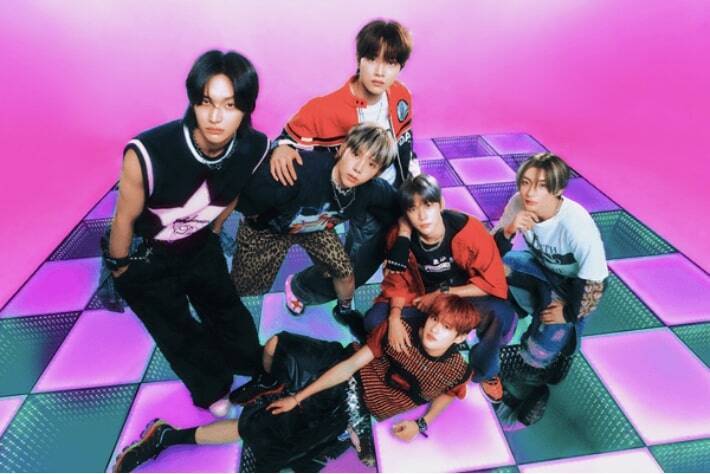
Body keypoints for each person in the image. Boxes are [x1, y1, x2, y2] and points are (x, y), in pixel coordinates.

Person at [112, 294, 478, 473]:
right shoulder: (402, 332)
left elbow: (450, 393)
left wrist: (422, 423)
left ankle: (165, 436)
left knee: (258, 428)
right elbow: (350, 366)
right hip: (342, 365)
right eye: (435, 320)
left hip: (354, 406)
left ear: (460, 338)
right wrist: (298, 396)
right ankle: (272, 383)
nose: (434, 329)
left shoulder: (456, 371)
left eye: (446, 328)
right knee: (277, 344)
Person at [103, 50, 269, 415]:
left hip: (198, 244)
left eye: (230, 105)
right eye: (206, 102)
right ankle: (211, 387)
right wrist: (120, 267)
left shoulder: (254, 146)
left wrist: (215, 230)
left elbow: (235, 189)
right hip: (147, 252)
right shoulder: (148, 151)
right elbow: (123, 219)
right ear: (193, 100)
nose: (215, 117)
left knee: (226, 306)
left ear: (246, 108)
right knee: (175, 328)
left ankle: (248, 362)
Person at [266, 19, 418, 313]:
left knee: (411, 239)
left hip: (396, 190)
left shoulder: (401, 95)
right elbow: (286, 138)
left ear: (400, 67)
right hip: (362, 195)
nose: (379, 71)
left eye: (390, 62)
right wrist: (282, 147)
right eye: (371, 58)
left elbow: (406, 142)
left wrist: (415, 182)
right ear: (359, 59)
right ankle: (301, 287)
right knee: (356, 266)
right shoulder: (327, 107)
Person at [229, 122, 399, 342]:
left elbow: (401, 203)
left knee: (345, 272)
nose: (358, 168)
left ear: (378, 173)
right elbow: (240, 195)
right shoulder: (301, 171)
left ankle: (345, 310)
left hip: (314, 228)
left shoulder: (370, 191)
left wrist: (401, 240)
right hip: (268, 230)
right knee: (246, 288)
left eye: (371, 164)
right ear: (343, 148)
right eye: (356, 154)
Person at [367, 174, 515, 403]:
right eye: (413, 209)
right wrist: (395, 318)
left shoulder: (469, 230)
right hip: (419, 296)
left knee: (503, 315)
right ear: (405, 214)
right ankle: (417, 360)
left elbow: (492, 282)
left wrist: (443, 293)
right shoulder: (399, 237)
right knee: (374, 321)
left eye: (428, 205)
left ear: (441, 204)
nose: (422, 215)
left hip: (461, 294)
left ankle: (486, 372)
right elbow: (397, 282)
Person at [492, 152, 607, 372]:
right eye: (526, 182)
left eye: (542, 186)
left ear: (558, 189)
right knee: (491, 266)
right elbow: (489, 251)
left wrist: (568, 313)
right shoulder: (518, 202)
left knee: (542, 349)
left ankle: (546, 358)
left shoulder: (575, 223)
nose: (530, 192)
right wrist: (508, 230)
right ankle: (519, 306)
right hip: (540, 269)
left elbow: (597, 281)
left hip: (573, 286)